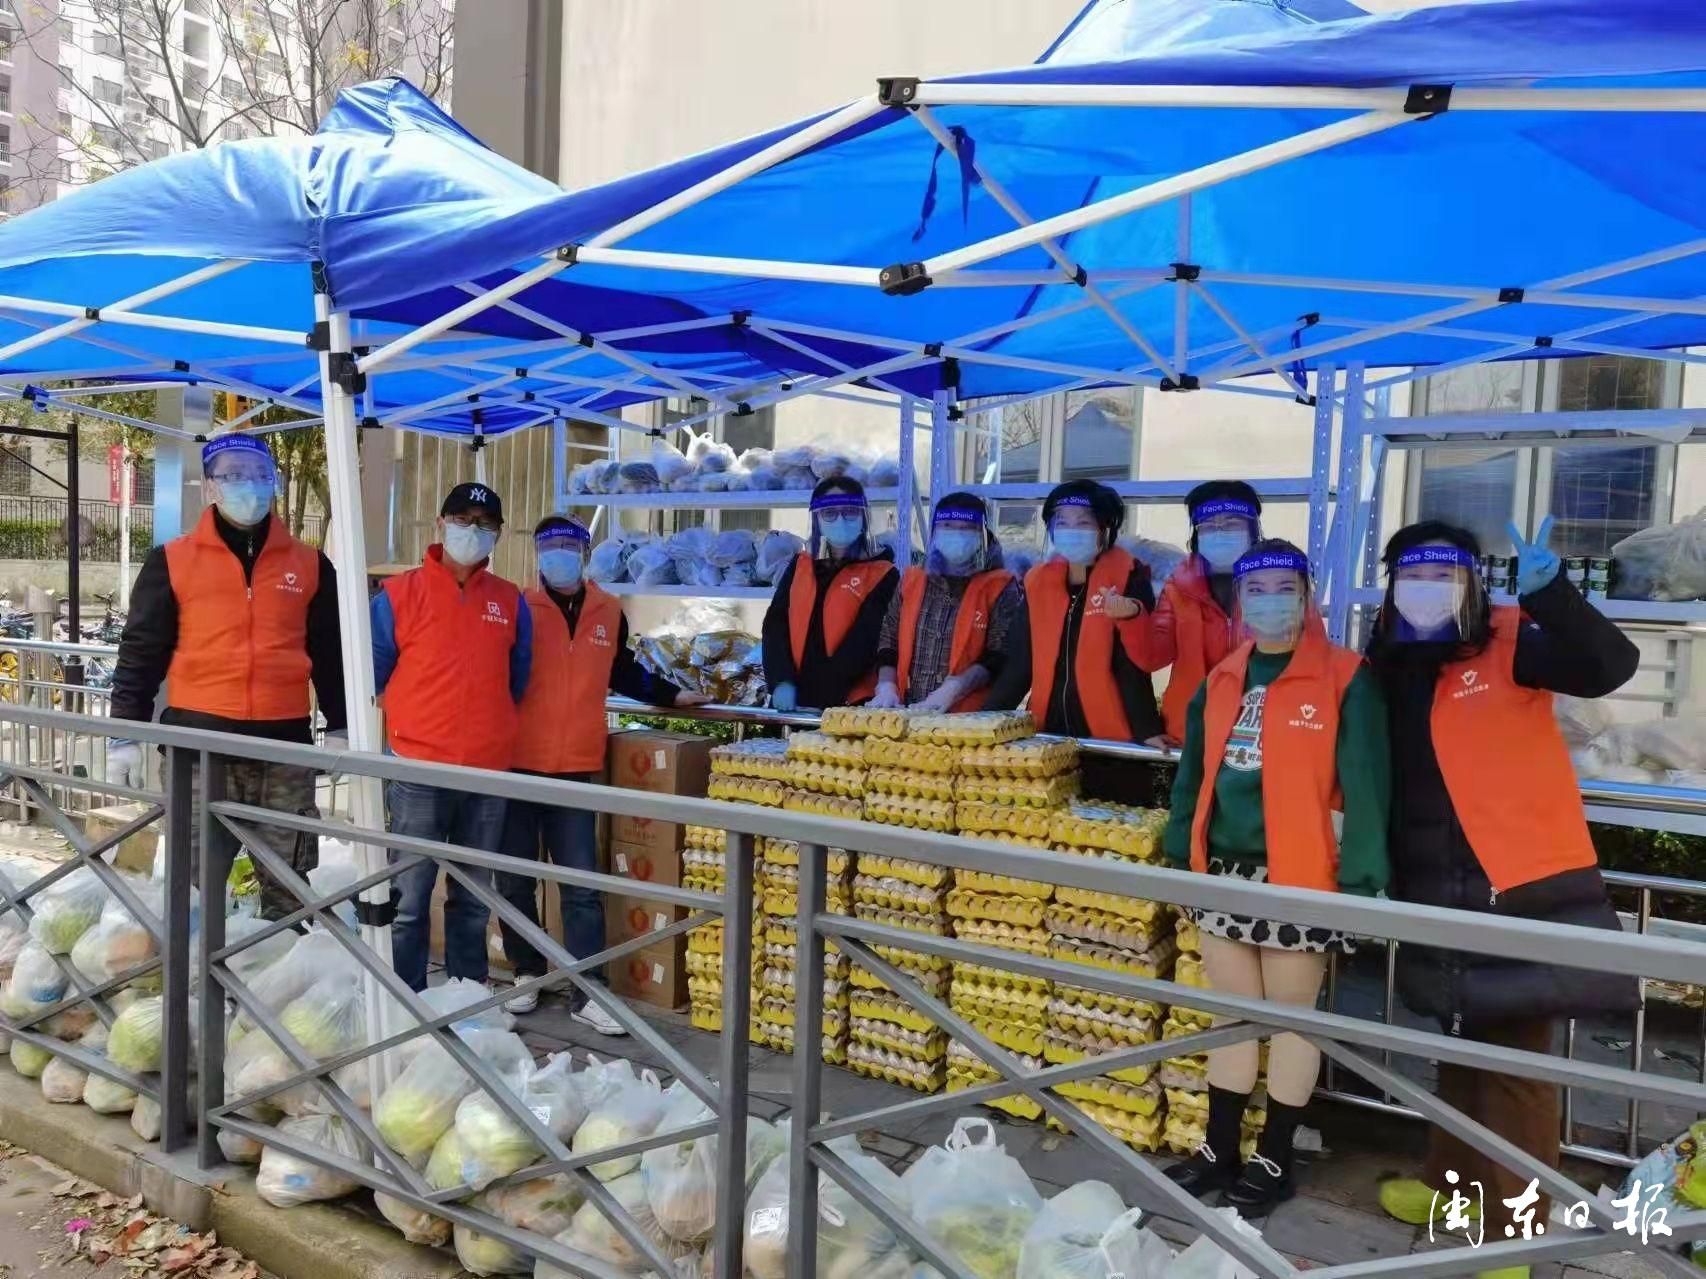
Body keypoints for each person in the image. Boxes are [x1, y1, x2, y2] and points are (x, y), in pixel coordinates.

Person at [1367, 518, 1638, 1264]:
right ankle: (1453, 1187)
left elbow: (1609, 663)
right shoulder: (1390, 663)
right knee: (1458, 1044)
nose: (1428, 587)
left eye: (1445, 573)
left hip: (1519, 883)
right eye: (1413, 573)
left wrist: (1551, 592)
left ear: (1473, 583)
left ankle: (1513, 1234)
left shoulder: (1511, 641)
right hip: (1434, 885)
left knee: (1517, 1066)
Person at [1161, 539, 1390, 1214]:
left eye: (1284, 587)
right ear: (1240, 601)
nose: (1270, 601)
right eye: (1256, 590)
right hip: (1224, 871)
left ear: (1307, 594)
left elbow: (1368, 784)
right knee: (1231, 1017)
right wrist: (1181, 850)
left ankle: (1275, 1155)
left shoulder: (1346, 675)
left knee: (1292, 1022)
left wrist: (1361, 876)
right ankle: (1219, 1148)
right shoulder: (1223, 676)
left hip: (1301, 875)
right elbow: (1193, 774)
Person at [107, 434, 343, 921]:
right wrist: (124, 732)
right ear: (210, 487)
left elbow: (330, 652)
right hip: (198, 750)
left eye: (259, 475)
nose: (248, 486)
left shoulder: (310, 564)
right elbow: (141, 651)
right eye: (233, 475)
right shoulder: (172, 560)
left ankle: (280, 965)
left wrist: (340, 724)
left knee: (289, 884)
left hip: (283, 752)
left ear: (274, 483)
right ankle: (194, 970)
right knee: (195, 888)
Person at [499, 515, 710, 1029]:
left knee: (581, 886)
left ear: (586, 552)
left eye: (569, 545)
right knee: (515, 880)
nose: (559, 554)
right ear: (537, 554)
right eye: (549, 546)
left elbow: (623, 671)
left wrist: (671, 695)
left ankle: (588, 989)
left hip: (576, 767)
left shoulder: (608, 612)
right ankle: (527, 972)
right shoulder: (519, 608)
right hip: (518, 765)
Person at [372, 482, 531, 992]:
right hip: (417, 768)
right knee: (408, 898)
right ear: (440, 524)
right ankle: (405, 999)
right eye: (462, 519)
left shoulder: (510, 600)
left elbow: (517, 678)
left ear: (499, 534)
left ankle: (467, 998)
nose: (472, 530)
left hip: (486, 772)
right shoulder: (398, 594)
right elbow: (374, 670)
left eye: (485, 524)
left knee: (472, 900)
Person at [999, 480, 1164, 797]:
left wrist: (1147, 729)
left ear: (1105, 527)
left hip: (1110, 742)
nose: (1071, 530)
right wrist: (985, 720)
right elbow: (1020, 665)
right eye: (1062, 522)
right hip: (1047, 739)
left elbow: (1132, 667)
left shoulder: (1129, 576)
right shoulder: (1037, 582)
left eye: (1083, 522)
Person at [1133, 481, 1263, 745]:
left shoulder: (1282, 583)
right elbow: (1152, 657)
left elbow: (1307, 656)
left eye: (1231, 523)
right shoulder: (1178, 586)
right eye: (1209, 525)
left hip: (1257, 737)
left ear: (1253, 529)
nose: (1220, 532)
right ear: (1196, 533)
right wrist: (1131, 617)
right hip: (1190, 735)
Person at [868, 492, 1025, 711]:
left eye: (967, 528)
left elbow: (1000, 653)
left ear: (983, 534)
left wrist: (955, 688)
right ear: (935, 531)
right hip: (909, 711)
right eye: (947, 526)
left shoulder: (1001, 586)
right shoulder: (912, 580)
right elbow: (889, 639)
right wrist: (886, 685)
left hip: (969, 719)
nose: (957, 534)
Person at [762, 476, 898, 711]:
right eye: (830, 513)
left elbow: (865, 643)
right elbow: (775, 625)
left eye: (850, 512)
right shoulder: (801, 564)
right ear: (817, 519)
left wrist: (818, 696)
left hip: (850, 705)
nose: (840, 520)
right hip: (794, 703)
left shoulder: (882, 573)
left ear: (863, 518)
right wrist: (781, 680)